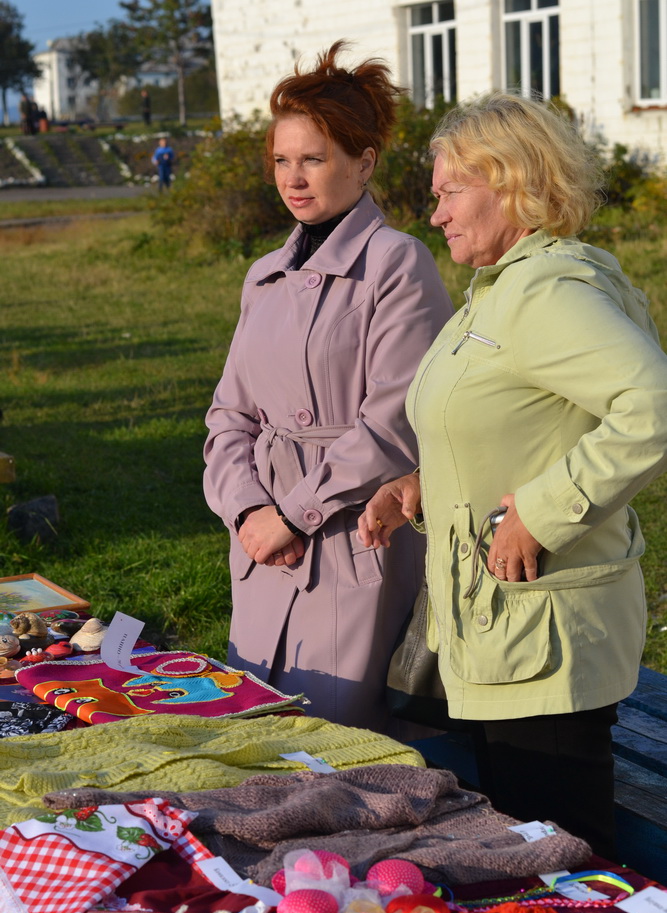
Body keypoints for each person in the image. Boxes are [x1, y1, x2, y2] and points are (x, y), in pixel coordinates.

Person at [358, 92, 667, 856]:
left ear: (511, 182)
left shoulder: (547, 294)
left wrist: (542, 512)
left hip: (546, 635)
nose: (436, 215)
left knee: (563, 862)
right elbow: (517, 421)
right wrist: (421, 487)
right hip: (506, 628)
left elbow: (652, 403)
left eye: (448, 193)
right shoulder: (497, 291)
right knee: (524, 849)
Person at [203, 42, 453, 731]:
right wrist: (247, 510)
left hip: (352, 534)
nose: (294, 178)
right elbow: (228, 413)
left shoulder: (399, 264)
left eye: (313, 159)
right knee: (251, 737)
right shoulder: (262, 274)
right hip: (259, 543)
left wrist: (294, 515)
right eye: (282, 161)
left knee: (342, 744)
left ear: (363, 162)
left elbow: (396, 419)